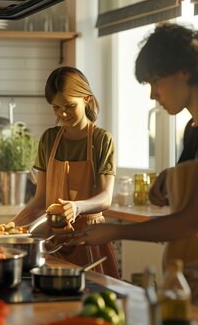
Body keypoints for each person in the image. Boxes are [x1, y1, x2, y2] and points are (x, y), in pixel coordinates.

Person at [65, 22, 198, 325]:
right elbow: (191, 203)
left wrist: (112, 231)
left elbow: (194, 221)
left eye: (155, 82)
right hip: (193, 282)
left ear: (183, 71)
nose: (153, 95)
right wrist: (168, 182)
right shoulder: (194, 132)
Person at [12, 66, 119, 278]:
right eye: (56, 107)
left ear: (87, 99)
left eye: (69, 106)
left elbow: (106, 198)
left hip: (89, 238)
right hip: (53, 239)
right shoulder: (49, 139)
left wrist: (78, 207)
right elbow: (40, 201)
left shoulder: (101, 140)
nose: (62, 114)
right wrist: (10, 228)